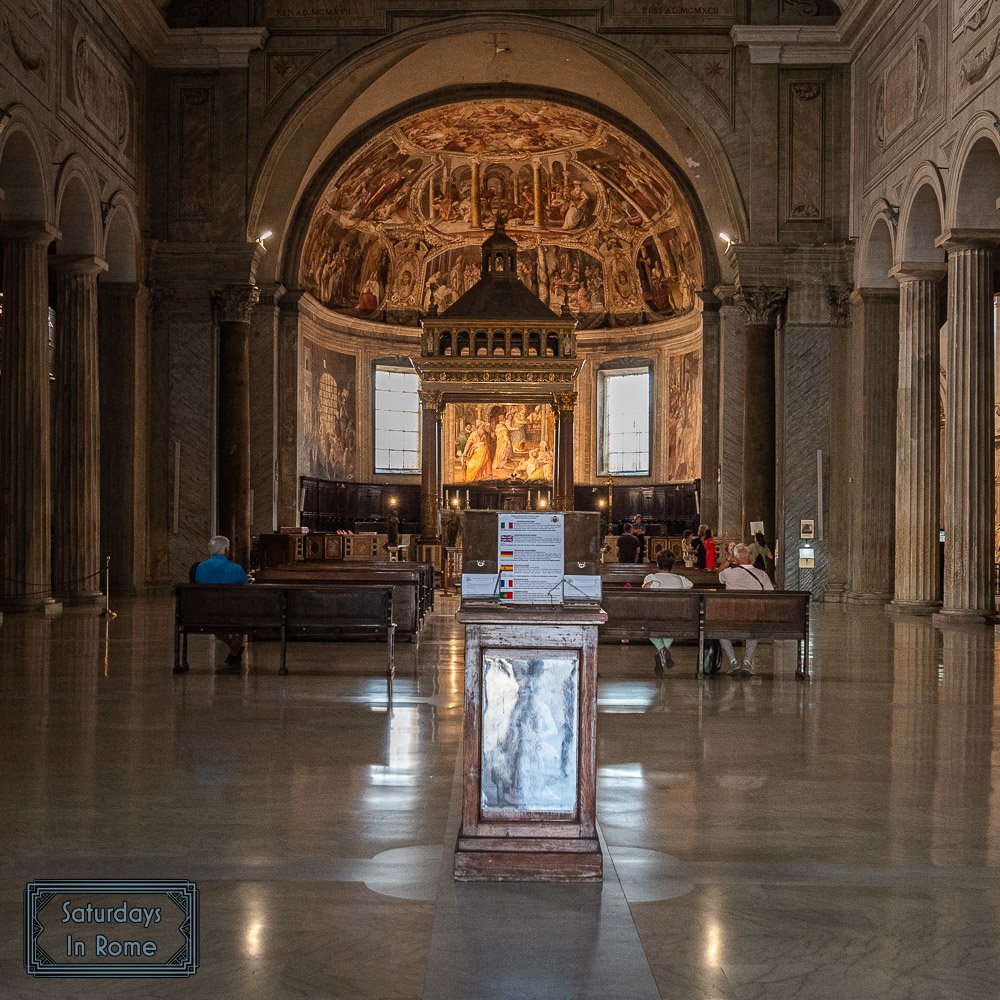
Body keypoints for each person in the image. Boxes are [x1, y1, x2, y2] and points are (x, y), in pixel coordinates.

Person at [718, 542, 774, 676]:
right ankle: (747, 661)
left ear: (736, 559)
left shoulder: (728, 573)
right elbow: (771, 595)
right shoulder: (762, 575)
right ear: (750, 557)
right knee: (755, 625)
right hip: (753, 619)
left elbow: (719, 573)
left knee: (718, 629)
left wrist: (728, 559)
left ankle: (733, 661)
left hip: (731, 619)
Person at [194, 535, 249, 670]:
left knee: (217, 625)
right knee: (241, 624)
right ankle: (234, 652)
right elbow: (246, 589)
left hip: (207, 613)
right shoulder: (236, 569)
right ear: (226, 551)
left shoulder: (200, 568)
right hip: (234, 612)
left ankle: (234, 651)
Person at [643, 551, 693, 672]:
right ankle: (663, 653)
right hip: (675, 617)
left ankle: (661, 651)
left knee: (646, 626)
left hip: (656, 616)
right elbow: (690, 585)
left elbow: (644, 589)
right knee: (671, 628)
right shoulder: (680, 579)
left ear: (657, 564)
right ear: (672, 565)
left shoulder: (651, 578)